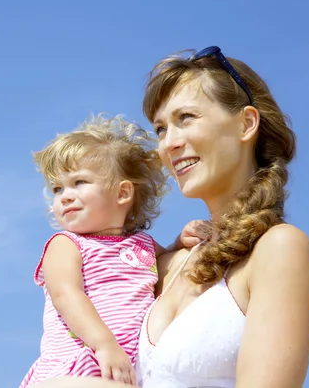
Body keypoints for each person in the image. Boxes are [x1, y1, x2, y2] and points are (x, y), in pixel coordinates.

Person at [31, 46, 309, 388]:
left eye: (185, 119)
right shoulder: (168, 263)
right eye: (160, 129)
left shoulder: (279, 249)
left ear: (246, 124)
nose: (169, 143)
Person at [19, 115, 201, 387]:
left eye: (79, 182)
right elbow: (65, 294)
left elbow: (168, 268)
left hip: (122, 372)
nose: (65, 195)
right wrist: (104, 344)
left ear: (122, 193)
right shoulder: (66, 244)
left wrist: (180, 242)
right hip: (78, 365)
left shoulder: (143, 246)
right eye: (58, 188)